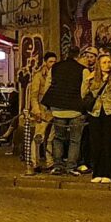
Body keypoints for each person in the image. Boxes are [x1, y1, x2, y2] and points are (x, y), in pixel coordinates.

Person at [41, 46, 89, 175]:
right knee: (75, 140)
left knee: (58, 138)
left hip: (58, 109)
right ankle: (71, 166)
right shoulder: (83, 70)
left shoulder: (55, 68)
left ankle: (57, 165)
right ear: (78, 55)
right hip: (76, 109)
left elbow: (48, 85)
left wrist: (48, 105)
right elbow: (84, 90)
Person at [82, 52, 111, 183]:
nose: (107, 65)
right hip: (95, 113)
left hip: (110, 113)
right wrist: (87, 80)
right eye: (104, 62)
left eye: (109, 62)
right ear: (99, 65)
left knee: (109, 143)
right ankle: (97, 172)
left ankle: (110, 173)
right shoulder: (92, 80)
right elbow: (83, 94)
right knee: (96, 143)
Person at [27, 53, 58, 173]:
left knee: (51, 138)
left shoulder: (56, 75)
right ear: (45, 62)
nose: (53, 64)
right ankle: (34, 162)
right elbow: (34, 96)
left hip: (52, 110)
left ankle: (50, 162)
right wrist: (36, 110)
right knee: (38, 137)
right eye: (50, 61)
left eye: (55, 62)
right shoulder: (39, 76)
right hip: (41, 110)